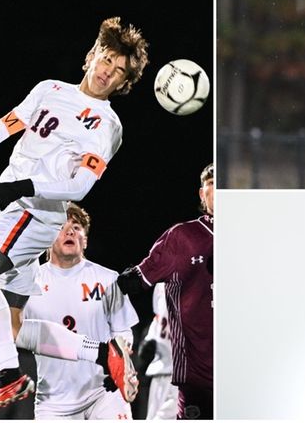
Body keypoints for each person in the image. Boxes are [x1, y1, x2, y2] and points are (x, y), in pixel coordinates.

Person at [0, 17, 149, 412]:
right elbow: (0, 129)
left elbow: (79, 187)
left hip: (35, 212)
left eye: (118, 71)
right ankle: (98, 353)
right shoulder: (49, 90)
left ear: (122, 84)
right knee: (14, 330)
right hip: (15, 207)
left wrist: (22, 188)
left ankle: (11, 376)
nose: (107, 71)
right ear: (90, 56)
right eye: (106, 58)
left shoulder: (107, 124)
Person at [117, 164, 214, 419]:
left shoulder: (257, 234)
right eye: (212, 184)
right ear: (202, 194)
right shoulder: (182, 238)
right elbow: (131, 283)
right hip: (190, 376)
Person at [23, 203, 138, 419]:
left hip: (104, 393)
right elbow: (13, 329)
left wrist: (123, 365)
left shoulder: (108, 279)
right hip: (53, 401)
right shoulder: (28, 284)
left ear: (85, 239)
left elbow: (123, 332)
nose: (70, 232)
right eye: (61, 226)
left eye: (76, 227)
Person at [138, 283, 180, 419]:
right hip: (160, 373)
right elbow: (158, 318)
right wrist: (149, 339)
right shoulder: (161, 285)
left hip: (183, 376)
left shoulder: (203, 283)